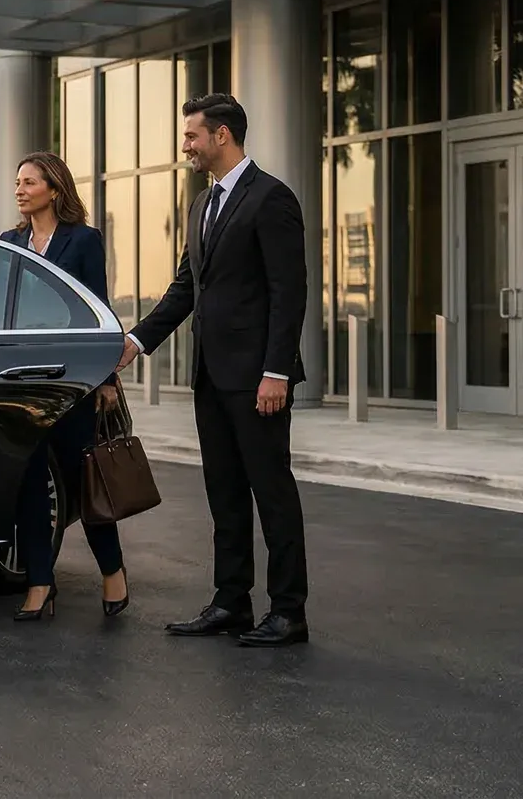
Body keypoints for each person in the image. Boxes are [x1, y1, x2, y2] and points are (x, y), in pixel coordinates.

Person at [119, 93, 310, 648]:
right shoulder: (203, 205)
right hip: (211, 376)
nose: (186, 146)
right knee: (224, 494)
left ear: (221, 135)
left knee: (272, 494)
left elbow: (287, 292)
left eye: (192, 136)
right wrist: (136, 340)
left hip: (257, 380)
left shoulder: (272, 198)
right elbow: (187, 287)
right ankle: (231, 602)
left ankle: (289, 612)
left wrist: (276, 371)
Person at [0, 152, 127, 621]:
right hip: (23, 385)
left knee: (83, 478)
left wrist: (106, 377)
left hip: (72, 381)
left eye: (29, 181)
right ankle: (39, 582)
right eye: (18, 181)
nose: (20, 189)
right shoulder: (8, 242)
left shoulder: (83, 240)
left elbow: (100, 311)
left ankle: (112, 570)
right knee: (30, 484)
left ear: (54, 189)